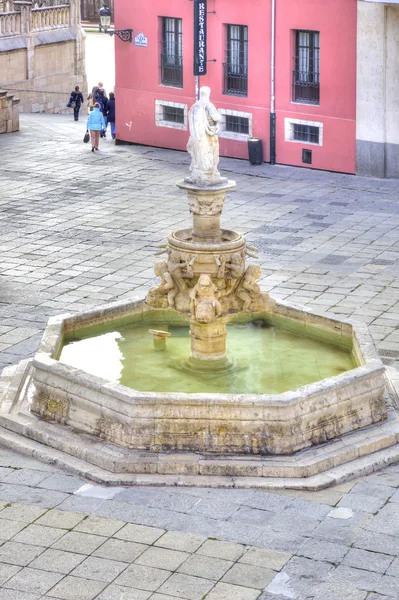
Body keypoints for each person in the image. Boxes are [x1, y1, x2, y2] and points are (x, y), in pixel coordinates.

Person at [186, 86, 222, 185]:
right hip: (208, 135)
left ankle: (198, 172)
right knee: (210, 153)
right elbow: (216, 117)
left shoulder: (194, 106)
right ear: (208, 94)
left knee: (198, 154)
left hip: (197, 136)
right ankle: (208, 172)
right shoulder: (209, 105)